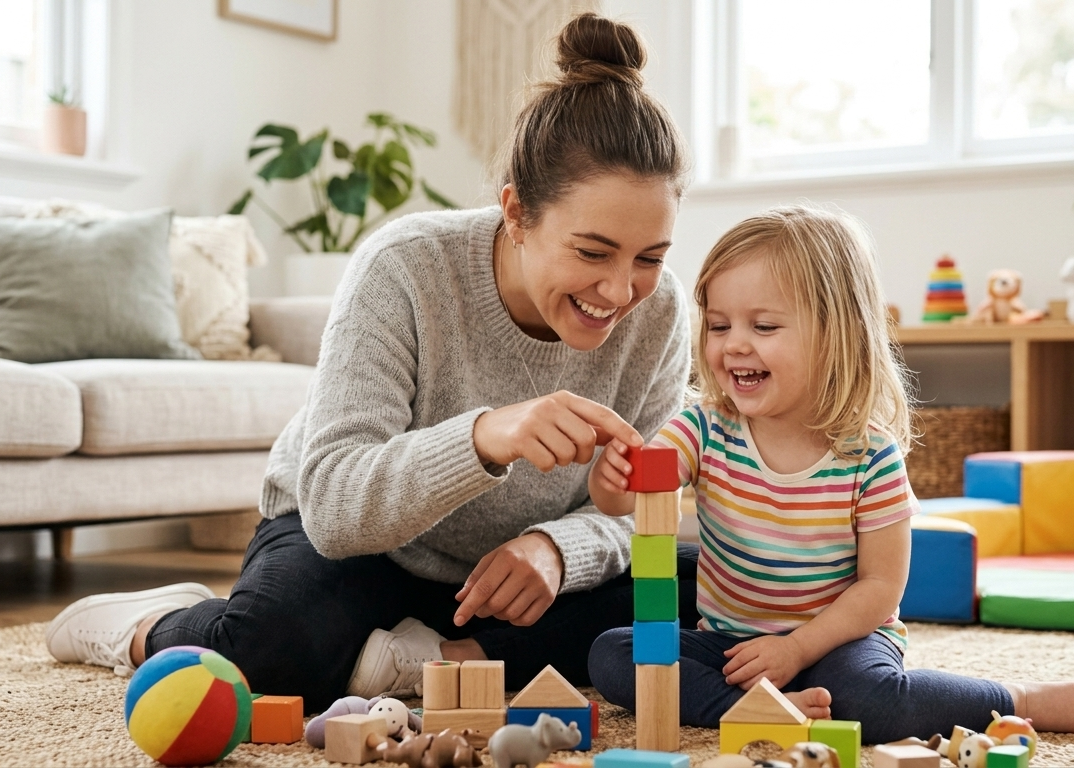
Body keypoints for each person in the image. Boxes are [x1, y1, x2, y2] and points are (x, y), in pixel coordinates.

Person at [44, 13, 703, 712]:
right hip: (366, 548)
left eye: (650, 257)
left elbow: (643, 509)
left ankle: (432, 662)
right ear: (516, 212)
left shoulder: (656, 313)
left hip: (505, 576)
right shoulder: (408, 267)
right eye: (593, 252)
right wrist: (485, 438)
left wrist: (556, 548)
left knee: (709, 596)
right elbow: (331, 506)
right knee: (274, 647)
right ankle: (148, 625)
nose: (620, 289)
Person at [585, 205, 1074, 743]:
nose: (734, 344)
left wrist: (798, 648)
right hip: (734, 646)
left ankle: (1014, 698)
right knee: (614, 654)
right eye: (719, 326)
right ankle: (755, 706)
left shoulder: (869, 455)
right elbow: (641, 493)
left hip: (841, 644)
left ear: (837, 333)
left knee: (869, 701)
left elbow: (881, 588)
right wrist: (614, 485)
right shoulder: (704, 425)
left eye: (764, 326)